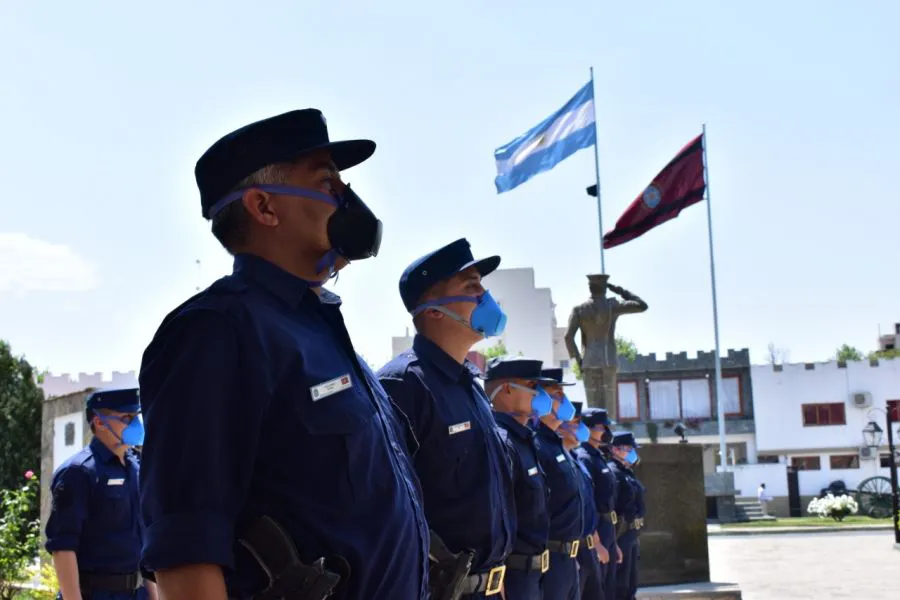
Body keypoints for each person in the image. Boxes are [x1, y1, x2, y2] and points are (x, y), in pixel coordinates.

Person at [137, 109, 429, 600]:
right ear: (264, 207)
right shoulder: (216, 333)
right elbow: (185, 556)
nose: (346, 198)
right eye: (327, 183)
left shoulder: (325, 336)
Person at [377, 238, 514, 598]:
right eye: (471, 288)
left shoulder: (471, 384)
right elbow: (391, 511)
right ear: (434, 309)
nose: (485, 297)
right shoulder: (403, 384)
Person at [45, 388, 157, 600]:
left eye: (136, 417)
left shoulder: (137, 467)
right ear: (99, 423)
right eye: (126, 418)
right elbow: (63, 548)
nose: (135, 424)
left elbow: (143, 540)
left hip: (136, 592)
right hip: (94, 593)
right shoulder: (79, 472)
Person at [484, 356, 556, 600]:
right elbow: (496, 513)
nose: (540, 394)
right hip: (512, 577)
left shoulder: (524, 439)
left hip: (535, 573)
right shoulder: (501, 440)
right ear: (506, 389)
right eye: (533, 386)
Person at [534, 370, 584, 600]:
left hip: (567, 558)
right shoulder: (536, 442)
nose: (565, 401)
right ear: (540, 397)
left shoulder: (554, 443)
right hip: (548, 559)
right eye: (557, 394)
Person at [575, 408, 621, 600]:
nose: (605, 432)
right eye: (601, 427)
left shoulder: (597, 456)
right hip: (596, 530)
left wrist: (613, 542)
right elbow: (588, 501)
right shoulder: (584, 457)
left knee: (608, 588)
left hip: (607, 528)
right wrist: (597, 543)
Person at [560, 400, 604, 600]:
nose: (582, 429)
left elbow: (587, 506)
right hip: (571, 549)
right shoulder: (561, 457)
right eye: (577, 423)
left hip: (587, 547)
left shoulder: (575, 459)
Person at [607, 432, 643, 600]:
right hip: (620, 533)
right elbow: (612, 508)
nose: (632, 452)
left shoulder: (627, 471)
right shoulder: (613, 472)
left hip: (631, 534)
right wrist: (614, 541)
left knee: (630, 585)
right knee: (620, 587)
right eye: (628, 449)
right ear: (615, 449)